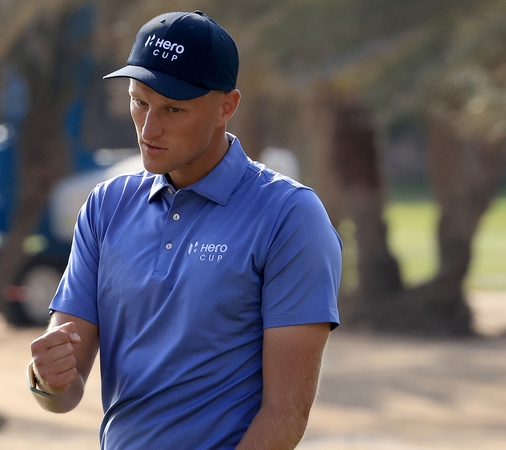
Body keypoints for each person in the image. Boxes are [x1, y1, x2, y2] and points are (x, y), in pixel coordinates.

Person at [28, 10, 341, 450]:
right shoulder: (105, 206)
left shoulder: (289, 215)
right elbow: (65, 388)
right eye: (140, 102)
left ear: (226, 106)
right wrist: (47, 380)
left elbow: (287, 412)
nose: (149, 129)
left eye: (174, 109)